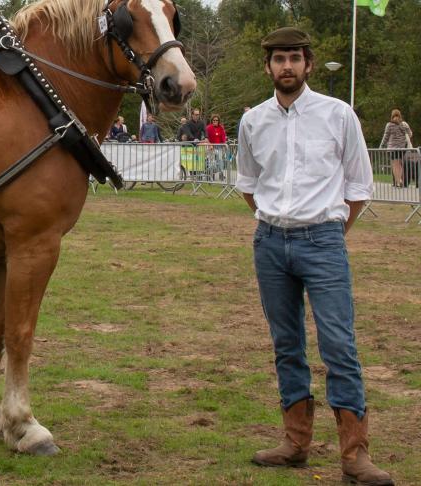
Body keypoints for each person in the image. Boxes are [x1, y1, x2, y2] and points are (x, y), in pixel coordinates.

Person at [236, 27, 393, 486]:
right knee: (287, 346)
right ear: (267, 67)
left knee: (339, 347)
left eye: (294, 59)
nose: (287, 66)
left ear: (307, 64)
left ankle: (354, 456)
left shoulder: (338, 115)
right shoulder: (253, 121)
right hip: (270, 243)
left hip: (323, 241)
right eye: (279, 59)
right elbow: (249, 185)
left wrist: (328, 231)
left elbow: (359, 187)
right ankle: (295, 443)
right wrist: (276, 223)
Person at [379, 109, 413, 187]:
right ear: (400, 115)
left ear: (392, 115)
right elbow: (410, 134)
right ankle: (400, 180)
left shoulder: (389, 125)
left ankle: (399, 181)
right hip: (402, 148)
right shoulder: (404, 124)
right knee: (399, 164)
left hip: (392, 148)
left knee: (395, 164)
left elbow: (386, 136)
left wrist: (381, 146)